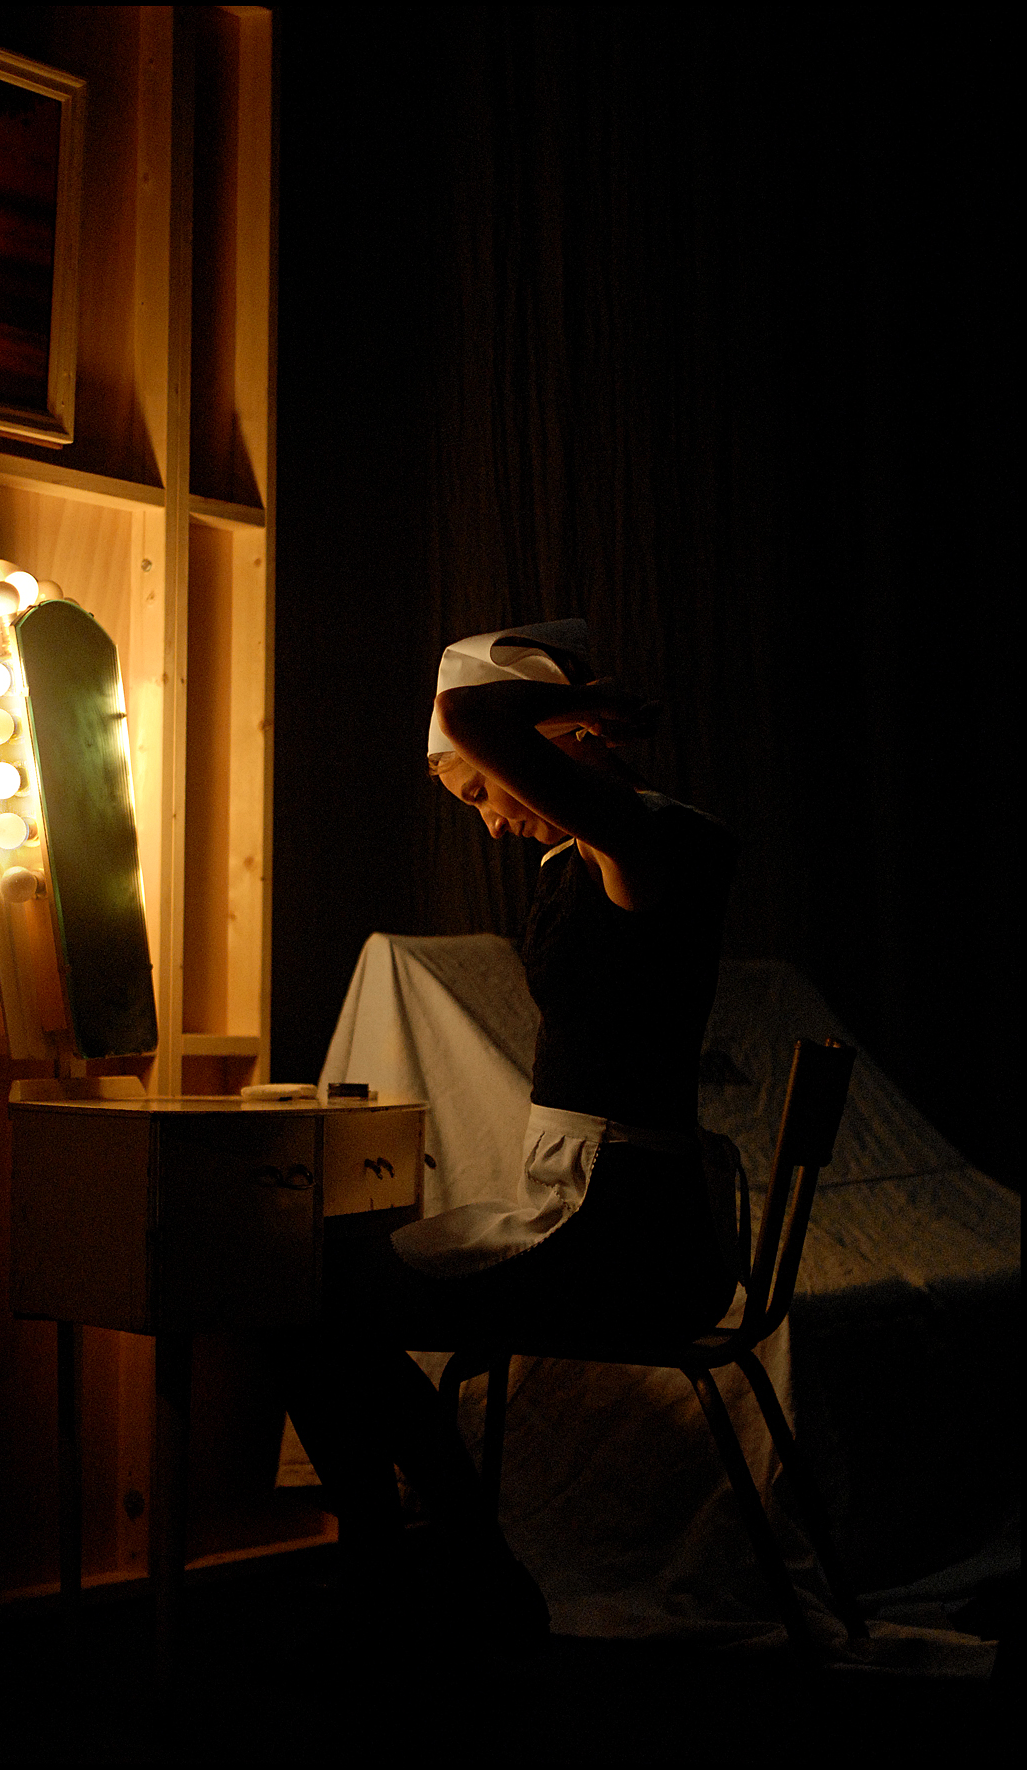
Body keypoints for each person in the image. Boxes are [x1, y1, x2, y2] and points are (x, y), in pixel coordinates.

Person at [277, 620, 739, 1649]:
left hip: (626, 1231)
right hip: (605, 1206)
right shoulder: (600, 850)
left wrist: (563, 707)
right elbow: (473, 725)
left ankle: (445, 1569)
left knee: (307, 1299)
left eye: (483, 790)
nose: (489, 824)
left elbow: (465, 711)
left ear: (560, 738)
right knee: (308, 1288)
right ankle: (442, 1565)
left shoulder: (646, 842)